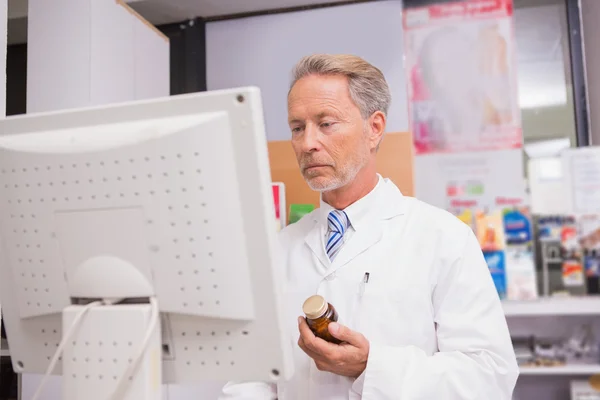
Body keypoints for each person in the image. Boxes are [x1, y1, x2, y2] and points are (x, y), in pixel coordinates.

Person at [220, 54, 518, 399]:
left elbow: (489, 378)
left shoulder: (443, 238)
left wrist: (371, 367)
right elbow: (250, 379)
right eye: (297, 127)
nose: (307, 143)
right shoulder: (279, 249)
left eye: (326, 123)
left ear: (374, 128)